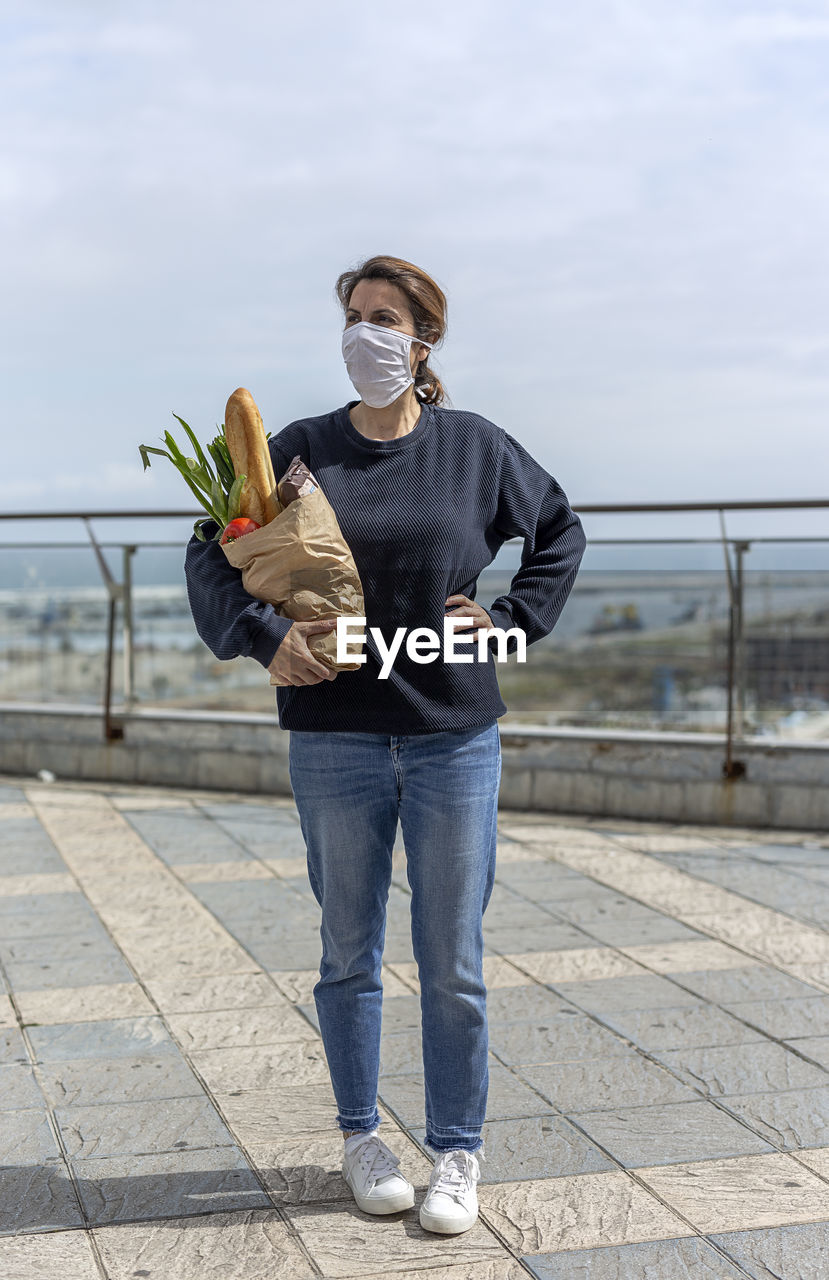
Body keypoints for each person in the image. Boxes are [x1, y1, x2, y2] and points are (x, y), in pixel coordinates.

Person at [184, 255, 587, 1234]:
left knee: (451, 955)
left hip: (454, 735)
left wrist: (508, 620)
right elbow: (212, 548)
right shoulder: (298, 451)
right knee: (346, 950)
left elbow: (559, 531)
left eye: (384, 319)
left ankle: (456, 1149)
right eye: (353, 317)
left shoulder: (475, 448)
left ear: (422, 339)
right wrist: (265, 638)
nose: (365, 334)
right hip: (335, 736)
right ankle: (363, 1137)